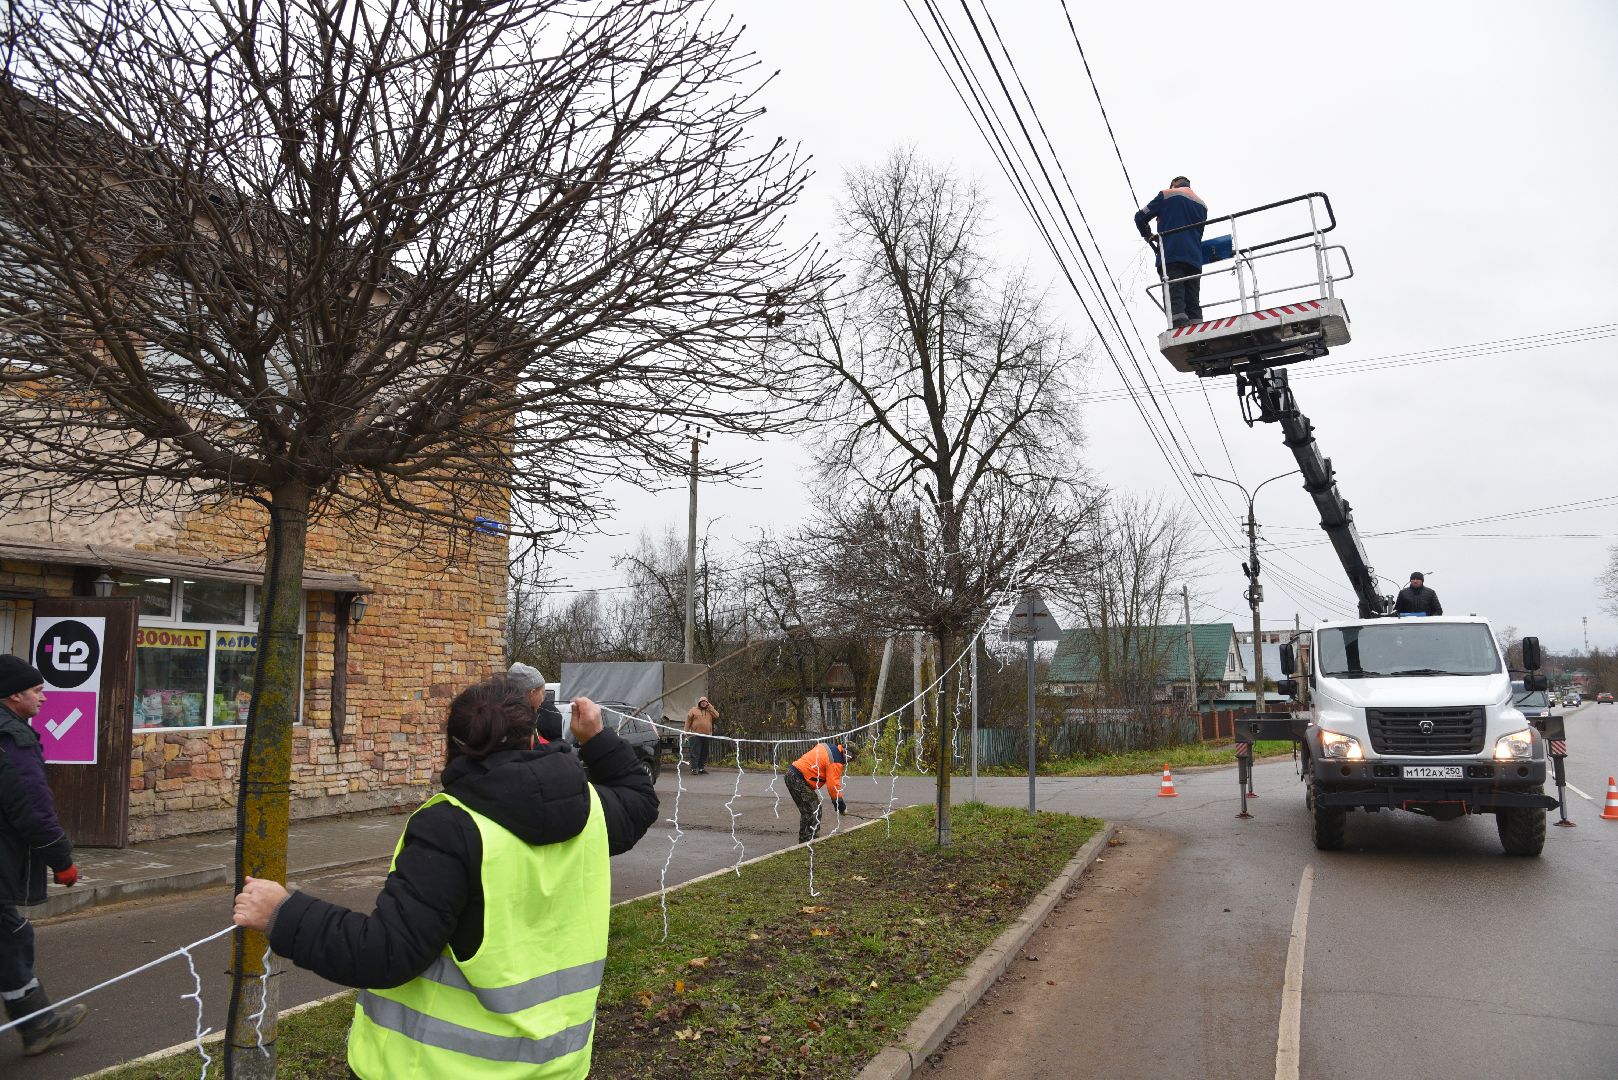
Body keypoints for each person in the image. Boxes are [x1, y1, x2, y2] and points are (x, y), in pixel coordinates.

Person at [232, 677, 658, 1079]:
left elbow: (387, 952)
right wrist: (596, 738)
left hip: (435, 1068)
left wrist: (283, 913)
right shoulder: (591, 809)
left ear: (453, 748)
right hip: (556, 1067)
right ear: (533, 737)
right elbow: (639, 798)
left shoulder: (450, 826)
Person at [0, 655, 87, 1057]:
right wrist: (62, 860)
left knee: (8, 937)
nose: (44, 697)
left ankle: (37, 1024)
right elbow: (32, 808)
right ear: (13, 695)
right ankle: (37, 1025)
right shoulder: (12, 739)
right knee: (10, 937)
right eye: (37, 690)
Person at [1135, 176, 1209, 328]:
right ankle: (1197, 327)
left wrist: (1148, 235)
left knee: (1175, 297)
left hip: (1171, 254)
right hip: (1195, 259)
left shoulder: (1167, 194)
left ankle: (1179, 326)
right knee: (1193, 300)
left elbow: (1139, 217)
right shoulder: (1202, 205)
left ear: (1173, 184)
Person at [785, 740, 847, 843]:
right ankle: (807, 842)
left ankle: (807, 841)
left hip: (792, 774)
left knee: (810, 809)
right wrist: (840, 805)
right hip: (798, 779)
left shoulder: (830, 748)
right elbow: (833, 786)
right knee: (813, 809)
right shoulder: (835, 760)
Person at [507, 661, 567, 744]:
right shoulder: (520, 721)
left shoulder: (500, 712)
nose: (543, 699)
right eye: (542, 693)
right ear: (532, 693)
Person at [685, 695, 720, 774]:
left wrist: (710, 707)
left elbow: (717, 715)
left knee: (704, 752)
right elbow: (688, 722)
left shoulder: (710, 711)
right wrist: (686, 732)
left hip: (706, 735)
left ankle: (701, 768)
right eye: (702, 702)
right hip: (695, 735)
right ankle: (694, 769)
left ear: (707, 703)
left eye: (705, 702)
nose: (703, 703)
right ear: (699, 703)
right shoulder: (693, 710)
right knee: (695, 752)